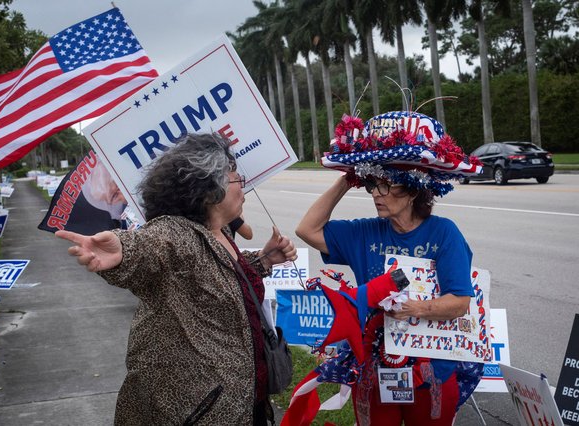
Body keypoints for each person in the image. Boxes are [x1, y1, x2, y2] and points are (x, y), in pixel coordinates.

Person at [56, 133, 297, 425]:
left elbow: (218, 278)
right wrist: (122, 250)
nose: (243, 188)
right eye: (236, 179)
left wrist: (265, 260)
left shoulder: (219, 233)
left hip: (242, 402)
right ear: (211, 190)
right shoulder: (175, 232)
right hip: (198, 411)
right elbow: (150, 248)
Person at [295, 111, 484, 426]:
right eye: (372, 185)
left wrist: (416, 308)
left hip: (432, 372)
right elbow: (307, 229)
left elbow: (460, 302)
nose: (376, 195)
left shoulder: (443, 233)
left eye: (387, 185)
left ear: (412, 189)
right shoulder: (365, 232)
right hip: (374, 370)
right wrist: (351, 176)